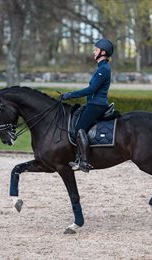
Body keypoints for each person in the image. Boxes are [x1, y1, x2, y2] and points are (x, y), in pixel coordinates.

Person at [61, 38, 114, 172]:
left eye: (96, 50)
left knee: (80, 129)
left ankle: (84, 161)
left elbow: (91, 90)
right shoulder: (101, 67)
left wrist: (70, 95)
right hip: (93, 103)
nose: (93, 52)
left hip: (97, 105)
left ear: (103, 52)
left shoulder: (104, 69)